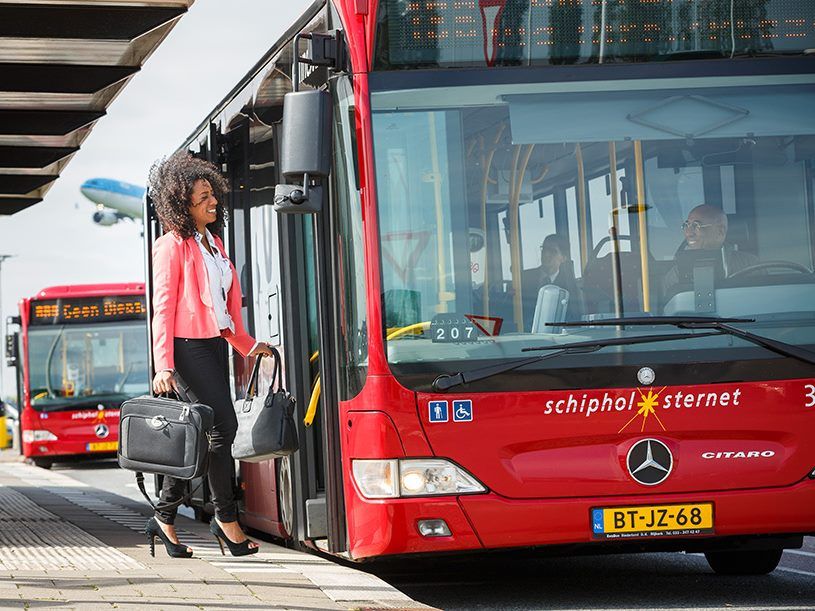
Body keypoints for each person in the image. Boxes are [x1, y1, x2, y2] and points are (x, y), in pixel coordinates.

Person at [146, 152, 273, 558]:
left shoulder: (214, 244)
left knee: (207, 431)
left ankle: (165, 516)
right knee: (223, 427)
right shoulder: (171, 246)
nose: (213, 203)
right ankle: (225, 519)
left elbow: (226, 312)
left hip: (214, 345)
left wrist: (250, 346)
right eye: (203, 198)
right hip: (185, 348)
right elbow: (162, 307)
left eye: (212, 195)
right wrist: (163, 363)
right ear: (183, 204)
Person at [663, 204, 759, 297]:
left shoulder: (751, 265)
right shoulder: (677, 273)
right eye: (687, 225)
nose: (688, 233)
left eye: (696, 225)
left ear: (720, 231)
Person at [522, 234, 581, 327]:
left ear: (563, 258)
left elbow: (574, 319)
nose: (546, 254)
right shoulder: (523, 279)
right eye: (544, 249)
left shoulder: (571, 287)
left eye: (552, 251)